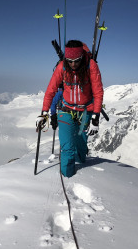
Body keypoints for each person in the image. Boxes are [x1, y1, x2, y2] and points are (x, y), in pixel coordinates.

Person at [36, 40, 104, 177]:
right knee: (67, 148)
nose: (73, 64)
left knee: (81, 145)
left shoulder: (91, 66)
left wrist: (96, 117)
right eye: (70, 61)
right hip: (65, 110)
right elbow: (51, 90)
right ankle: (68, 176)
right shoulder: (62, 67)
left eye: (77, 60)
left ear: (82, 58)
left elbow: (98, 92)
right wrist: (44, 113)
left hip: (85, 111)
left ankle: (82, 174)